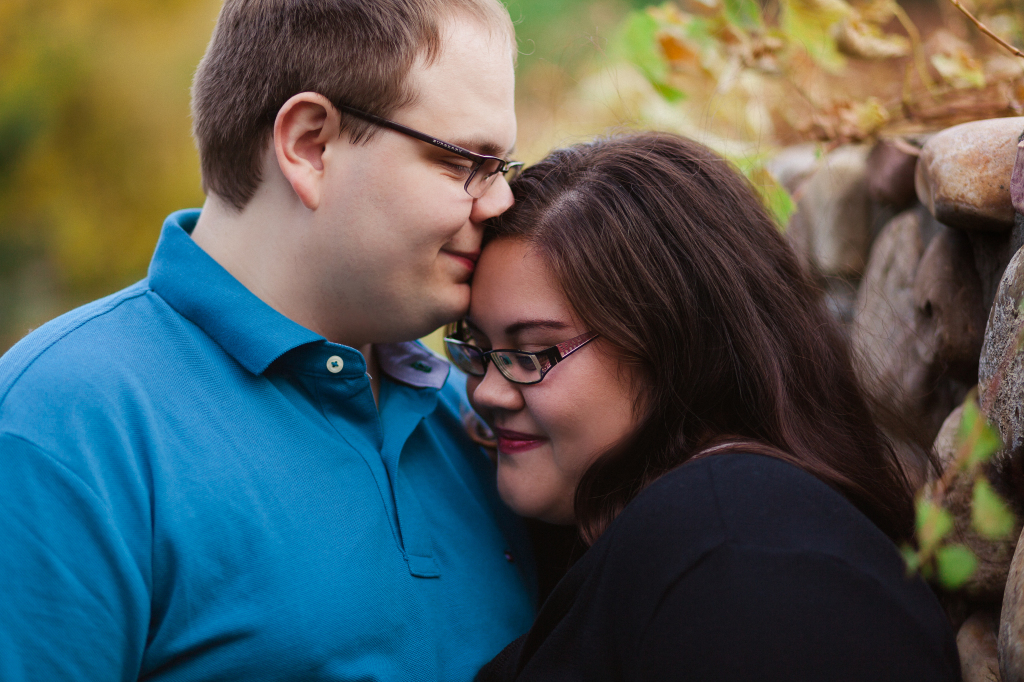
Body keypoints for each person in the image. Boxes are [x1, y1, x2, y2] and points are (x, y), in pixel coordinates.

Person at [0, 1, 536, 679]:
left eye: (503, 169)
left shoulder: (485, 418)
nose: (499, 204)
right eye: (467, 162)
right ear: (310, 144)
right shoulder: (64, 428)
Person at [443, 132, 962, 681]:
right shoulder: (691, 541)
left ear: (676, 347)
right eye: (477, 349)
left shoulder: (747, 560)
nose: (487, 391)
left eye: (531, 352)